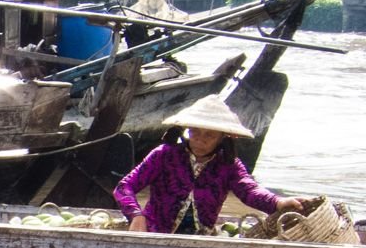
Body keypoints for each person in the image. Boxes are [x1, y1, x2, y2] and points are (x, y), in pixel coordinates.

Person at [113, 94, 304, 235]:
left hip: (202, 239)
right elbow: (125, 187)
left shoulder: (228, 166)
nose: (200, 140)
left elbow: (250, 191)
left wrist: (278, 202)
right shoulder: (164, 155)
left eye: (209, 135)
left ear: (222, 138)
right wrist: (136, 216)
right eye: (195, 132)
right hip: (156, 233)